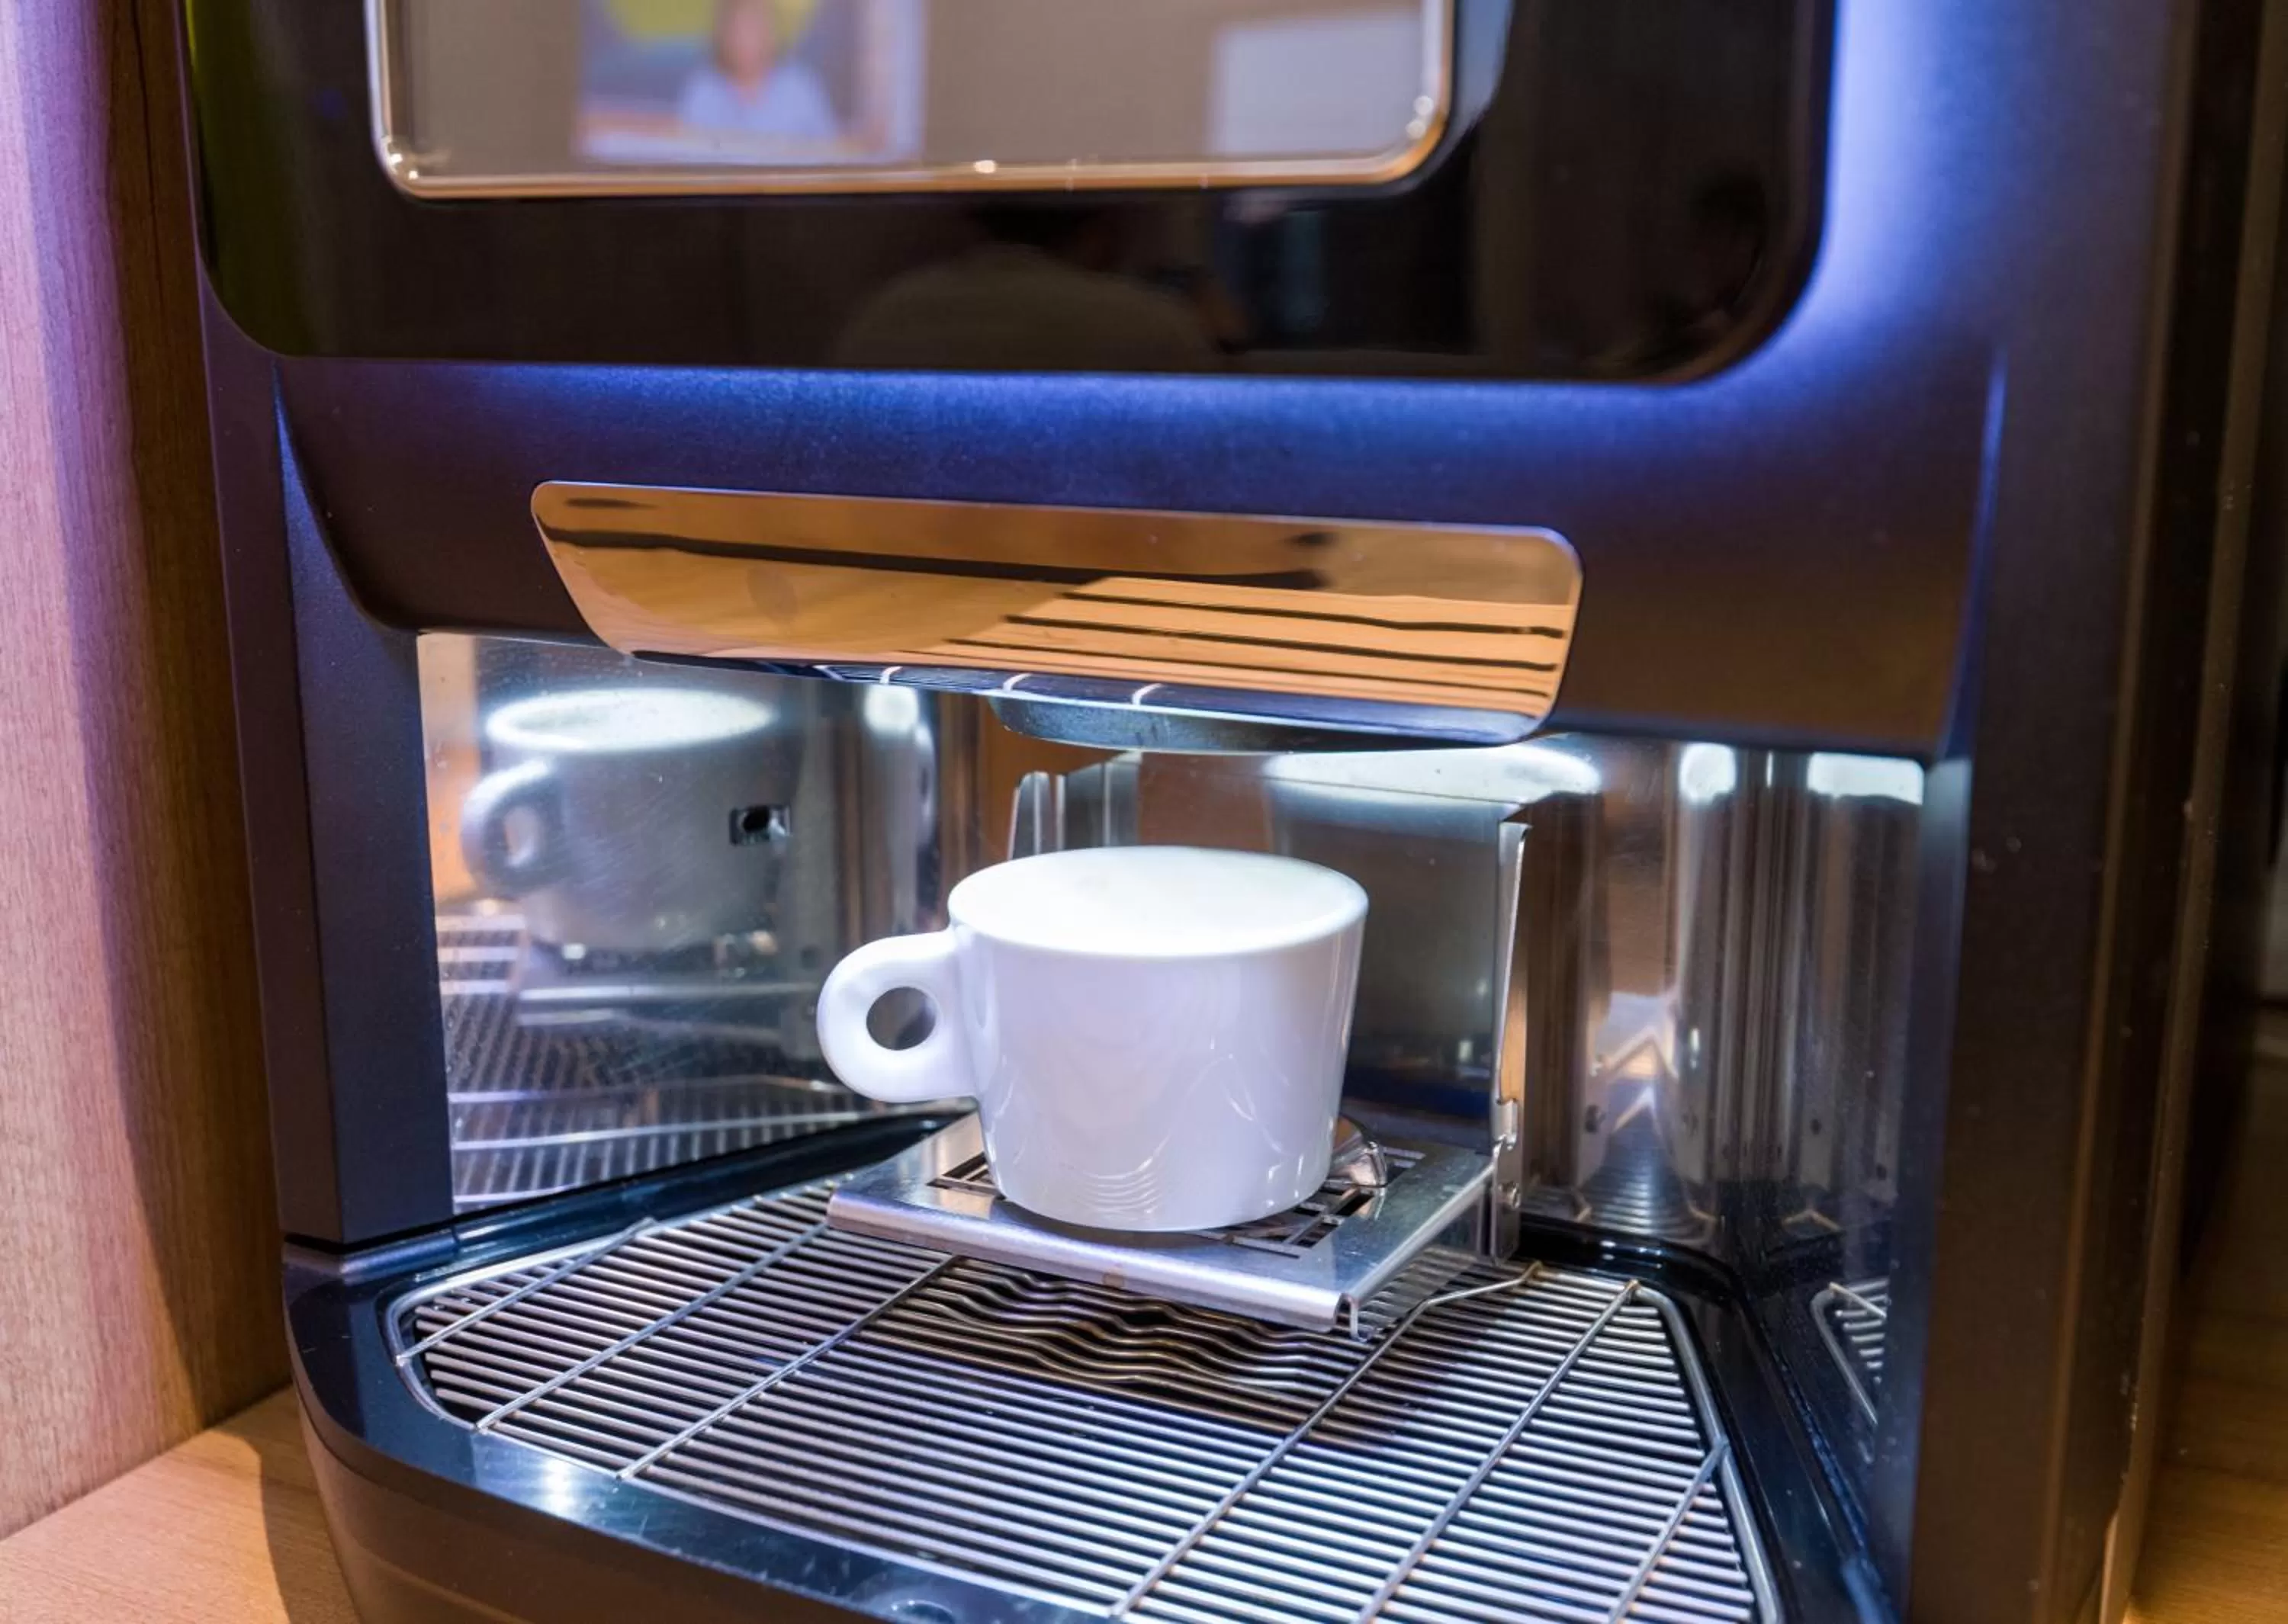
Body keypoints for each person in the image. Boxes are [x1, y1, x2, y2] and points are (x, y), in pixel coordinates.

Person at [677, 0, 839, 145]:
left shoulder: (801, 85)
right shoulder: (705, 88)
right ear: (723, 35)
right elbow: (688, 150)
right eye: (738, 29)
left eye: (754, 27)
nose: (746, 40)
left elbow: (831, 149)